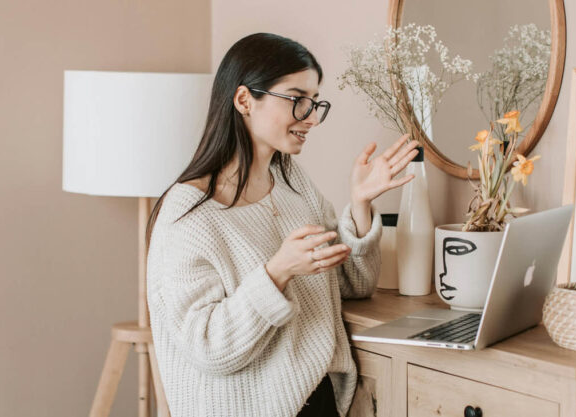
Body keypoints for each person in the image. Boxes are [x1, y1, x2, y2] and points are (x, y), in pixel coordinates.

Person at [144, 33, 419, 417]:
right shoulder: (187, 215)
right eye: (296, 100)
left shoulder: (293, 183)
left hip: (320, 402)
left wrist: (360, 204)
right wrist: (277, 272)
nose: (310, 117)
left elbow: (354, 285)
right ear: (244, 100)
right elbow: (208, 347)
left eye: (314, 103)